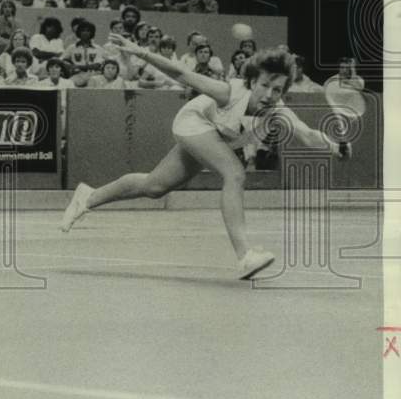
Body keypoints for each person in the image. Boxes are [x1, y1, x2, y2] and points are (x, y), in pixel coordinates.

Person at [61, 37, 350, 279]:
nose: (270, 94)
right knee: (235, 173)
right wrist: (140, 52)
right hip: (193, 124)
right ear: (252, 81)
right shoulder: (228, 92)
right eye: (265, 85)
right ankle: (245, 256)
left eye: (278, 90)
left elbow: (309, 135)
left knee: (154, 187)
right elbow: (183, 75)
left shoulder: (278, 111)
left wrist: (336, 146)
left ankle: (87, 198)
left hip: (213, 137)